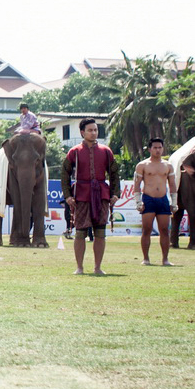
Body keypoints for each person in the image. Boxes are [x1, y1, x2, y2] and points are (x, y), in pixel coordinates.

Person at [62, 118, 119, 276]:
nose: (94, 133)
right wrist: (67, 195)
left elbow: (114, 173)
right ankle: (79, 267)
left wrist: (115, 194)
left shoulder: (106, 151)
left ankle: (97, 267)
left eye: (95, 130)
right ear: (82, 132)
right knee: (80, 232)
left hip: (101, 194)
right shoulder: (74, 152)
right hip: (81, 194)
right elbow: (64, 174)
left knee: (100, 232)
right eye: (90, 130)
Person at [133, 138, 177, 266]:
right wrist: (138, 202)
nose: (158, 150)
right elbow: (137, 185)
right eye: (155, 147)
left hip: (163, 199)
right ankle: (146, 258)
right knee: (147, 229)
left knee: (164, 230)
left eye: (160, 147)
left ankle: (165, 259)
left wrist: (174, 202)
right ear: (150, 149)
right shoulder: (142, 165)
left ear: (163, 149)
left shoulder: (168, 165)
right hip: (148, 198)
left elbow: (172, 184)